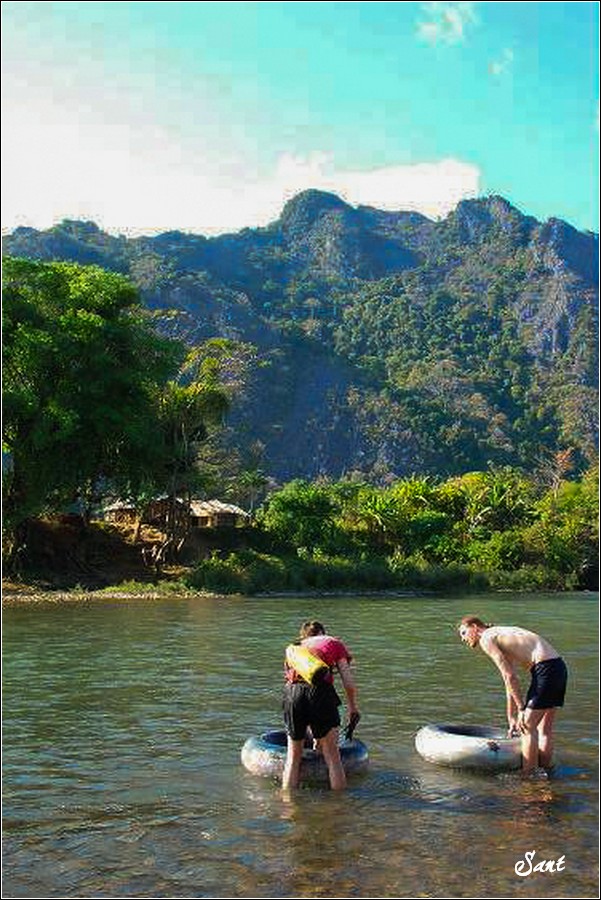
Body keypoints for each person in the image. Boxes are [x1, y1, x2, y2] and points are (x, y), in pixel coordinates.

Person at [458, 615, 568, 774]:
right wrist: (511, 716)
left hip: (545, 670)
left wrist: (521, 709)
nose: (463, 639)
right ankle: (547, 773)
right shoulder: (500, 634)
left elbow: (509, 676)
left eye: (463, 633)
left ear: (475, 627)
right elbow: (509, 680)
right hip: (558, 667)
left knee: (527, 728)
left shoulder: (486, 638)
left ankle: (529, 779)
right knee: (544, 730)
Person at [282, 620, 360, 791]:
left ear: (303, 636)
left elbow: (293, 683)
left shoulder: (295, 648)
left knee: (292, 758)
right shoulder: (333, 643)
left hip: (291, 693)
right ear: (323, 633)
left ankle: (287, 803)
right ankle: (339, 804)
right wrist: (353, 707)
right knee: (333, 757)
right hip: (320, 692)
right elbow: (348, 683)